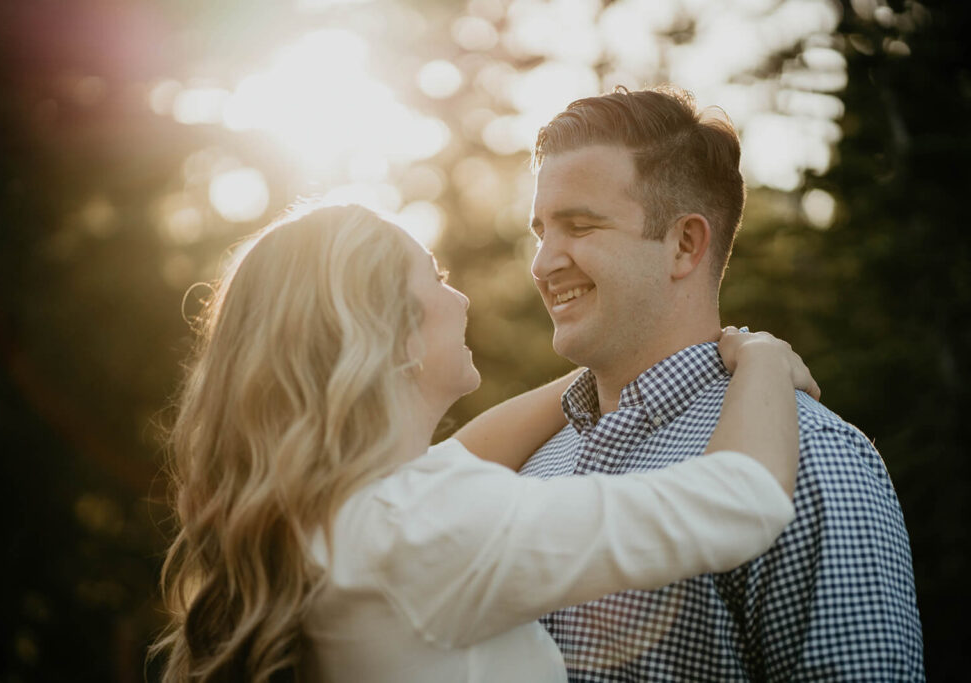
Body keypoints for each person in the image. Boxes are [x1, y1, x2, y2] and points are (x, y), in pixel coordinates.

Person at [150, 202, 819, 683]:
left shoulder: (335, 512)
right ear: (392, 336)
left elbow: (462, 453)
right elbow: (744, 502)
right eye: (436, 279)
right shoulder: (428, 525)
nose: (461, 299)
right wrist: (759, 355)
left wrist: (614, 365)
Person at [520, 84, 924, 681]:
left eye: (579, 227)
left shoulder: (815, 460)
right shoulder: (532, 463)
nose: (543, 262)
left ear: (684, 244)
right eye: (540, 231)